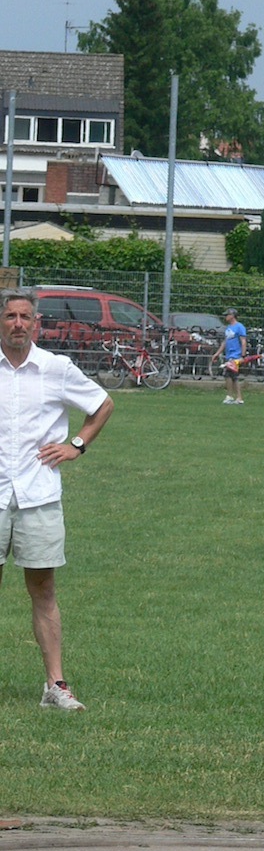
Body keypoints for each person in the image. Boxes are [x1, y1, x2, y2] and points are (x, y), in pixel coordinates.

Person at [0, 287, 114, 712]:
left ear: (36, 323)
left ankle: (56, 686)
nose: (18, 324)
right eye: (10, 316)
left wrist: (77, 445)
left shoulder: (55, 368)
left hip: (39, 495)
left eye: (25, 317)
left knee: (43, 589)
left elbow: (102, 404)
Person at [213, 308, 247, 404]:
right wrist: (217, 353)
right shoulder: (228, 327)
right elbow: (225, 342)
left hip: (236, 355)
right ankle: (233, 396)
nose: (225, 317)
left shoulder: (239, 327)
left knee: (232, 375)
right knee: (230, 376)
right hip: (229, 355)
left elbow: (243, 341)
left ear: (232, 316)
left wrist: (243, 355)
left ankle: (236, 397)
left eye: (227, 315)